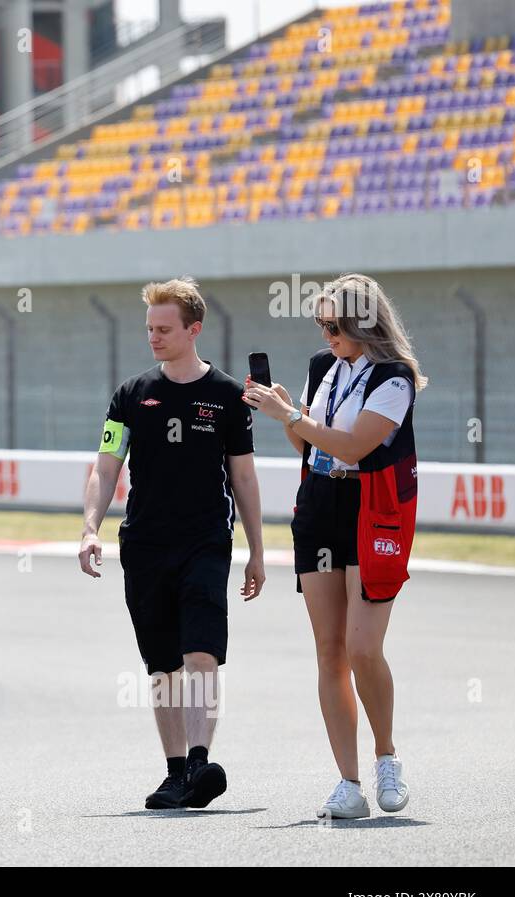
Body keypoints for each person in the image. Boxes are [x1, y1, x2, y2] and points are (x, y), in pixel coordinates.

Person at [79, 277, 265, 811]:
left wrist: (255, 549)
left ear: (194, 329)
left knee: (201, 650)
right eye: (149, 329)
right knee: (162, 664)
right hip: (144, 545)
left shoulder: (229, 397)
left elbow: (245, 480)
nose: (154, 338)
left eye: (164, 329)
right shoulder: (132, 395)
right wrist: (91, 528)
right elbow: (106, 465)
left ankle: (202, 759)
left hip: (206, 541)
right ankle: (175, 771)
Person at [243, 273, 423, 821]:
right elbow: (306, 442)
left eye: (334, 326)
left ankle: (386, 757)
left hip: (372, 509)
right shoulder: (324, 367)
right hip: (319, 504)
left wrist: (294, 417)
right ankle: (348, 783)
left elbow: (353, 444)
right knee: (330, 650)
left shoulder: (395, 377)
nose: (326, 336)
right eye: (321, 325)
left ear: (364, 323)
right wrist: (286, 412)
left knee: (363, 646)